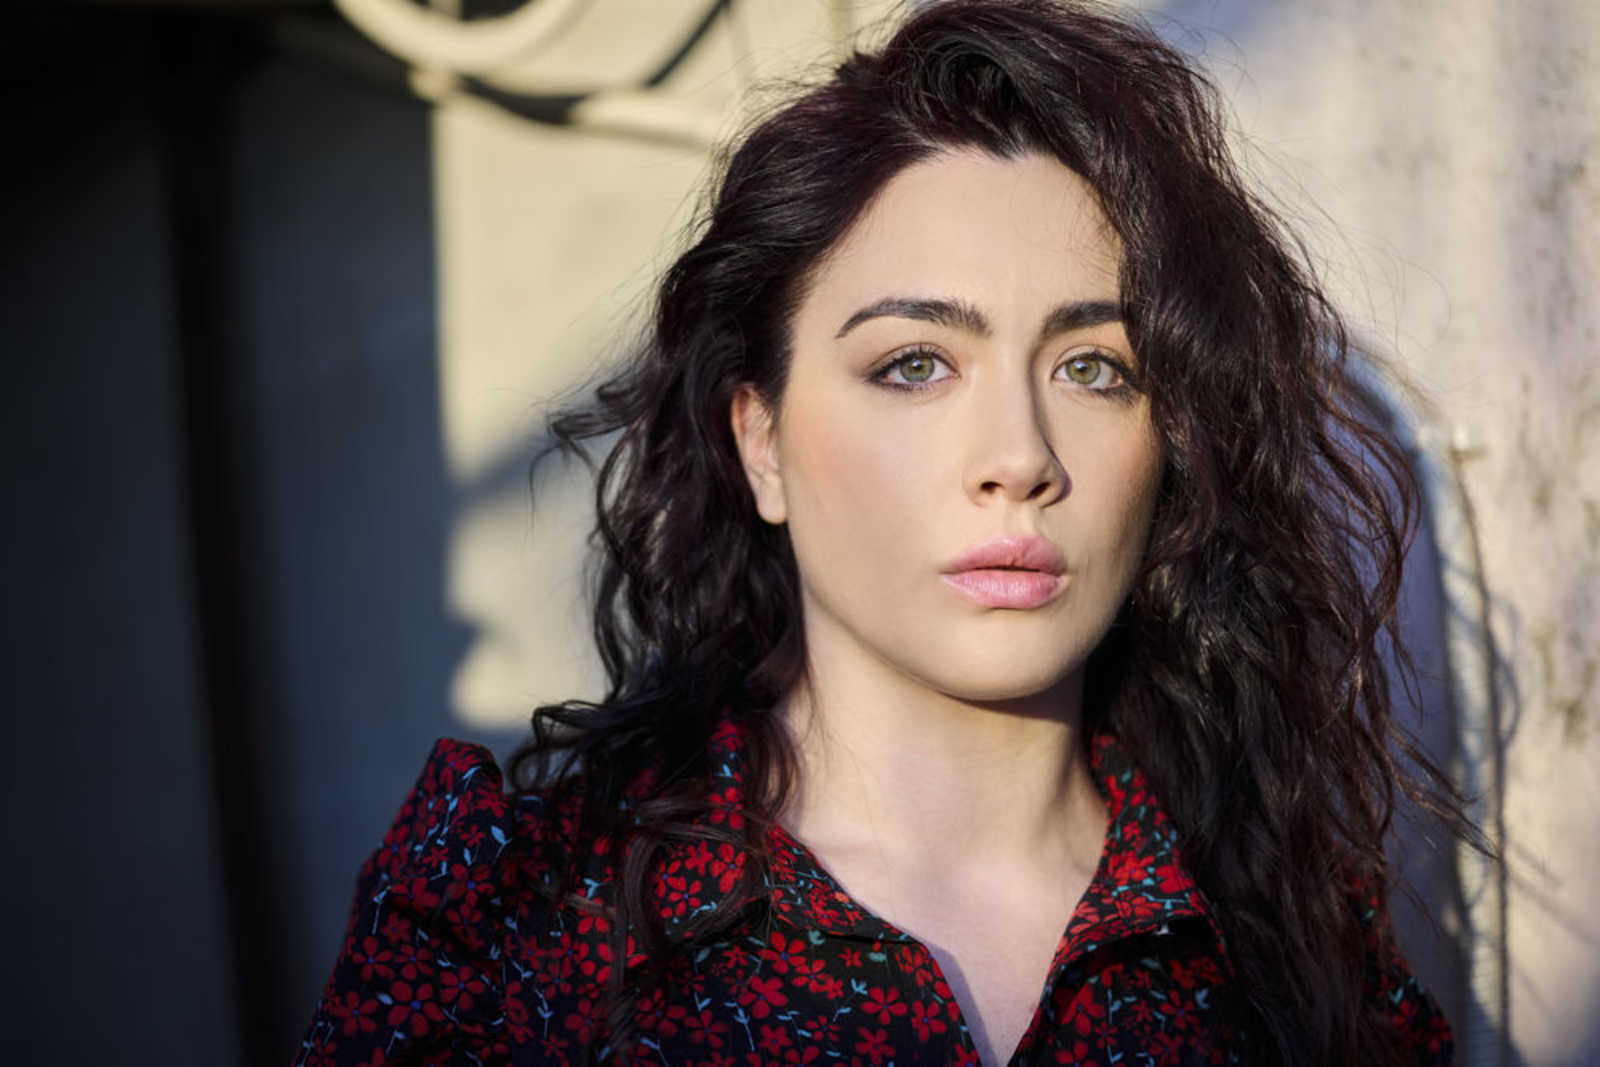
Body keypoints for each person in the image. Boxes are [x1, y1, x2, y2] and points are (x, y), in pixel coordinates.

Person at [295, 1, 1478, 1063]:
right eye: (914, 363)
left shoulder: (1286, 948)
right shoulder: (520, 930)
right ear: (760, 440)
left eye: (1093, 367)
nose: (1019, 455)